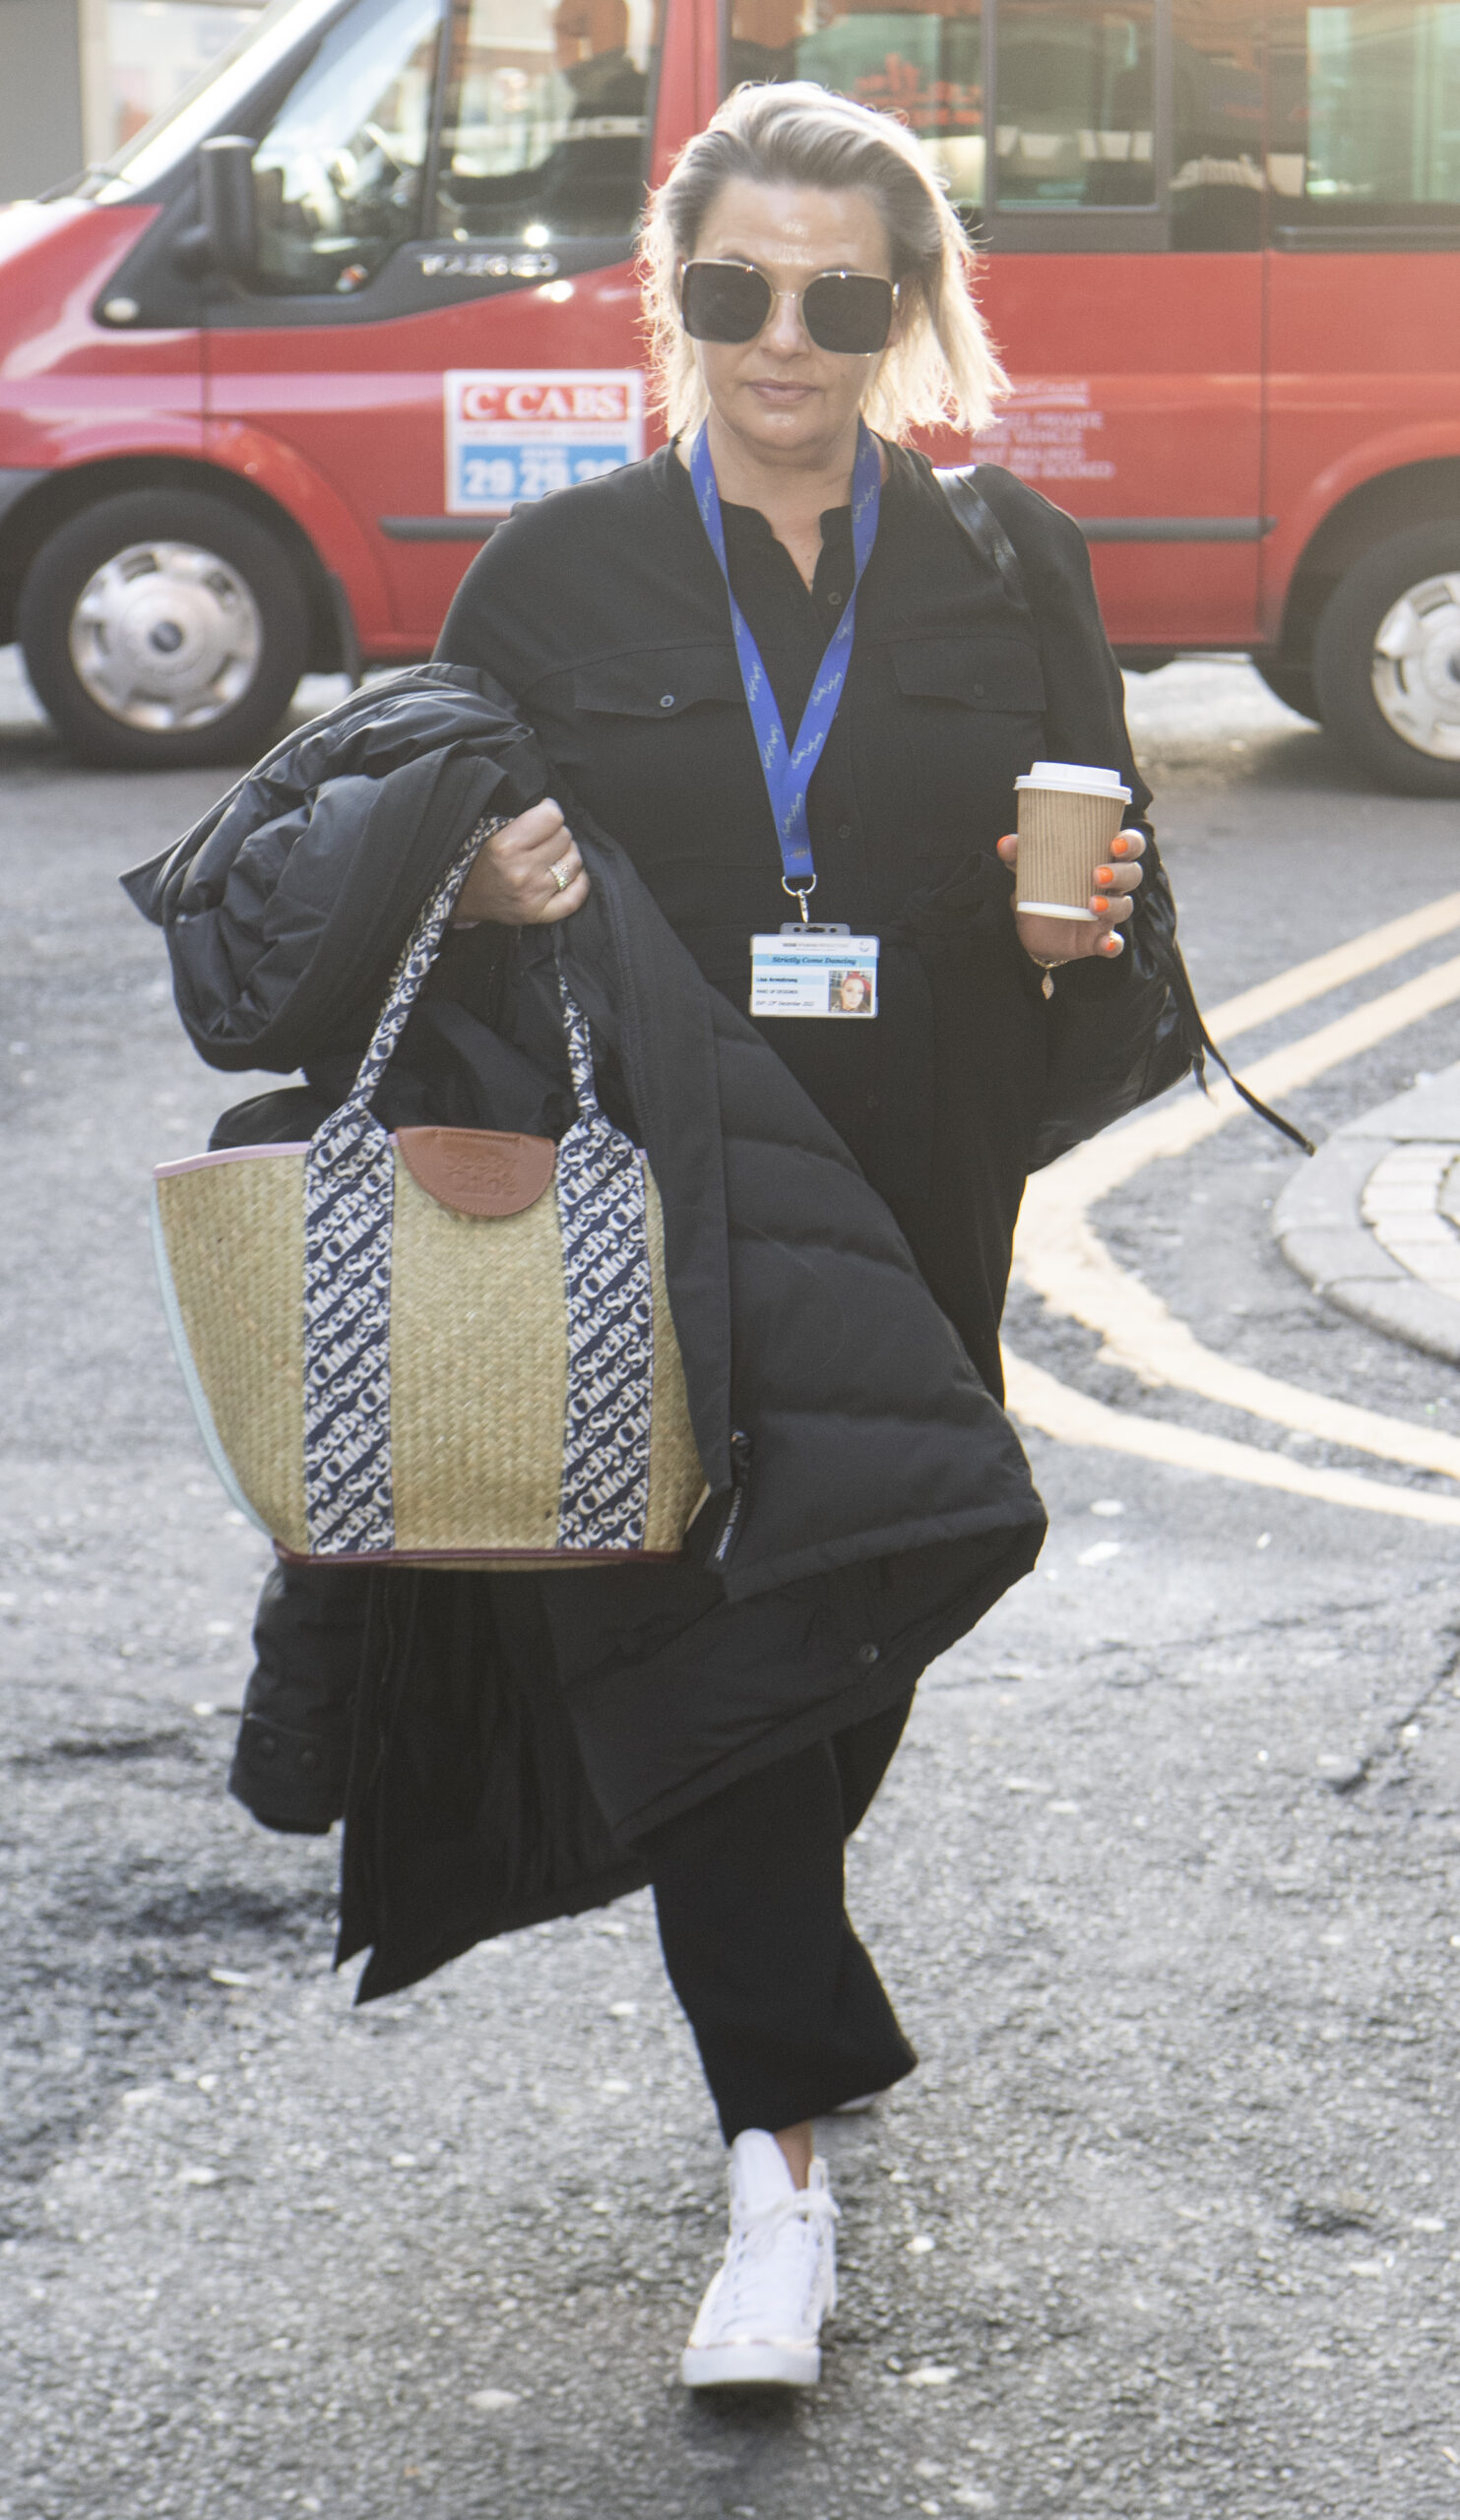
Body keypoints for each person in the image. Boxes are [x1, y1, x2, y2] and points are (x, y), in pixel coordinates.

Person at [426, 81, 1186, 2386]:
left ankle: (779, 1975)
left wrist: (1089, 932)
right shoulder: (546, 583)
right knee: (696, 1606)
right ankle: (776, 2161)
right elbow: (407, 891)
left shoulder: (1004, 560)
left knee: (865, 1575)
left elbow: (1105, 874)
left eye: (838, 293)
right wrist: (464, 882)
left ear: (904, 306)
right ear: (676, 297)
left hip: (925, 1156)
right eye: (736, 287)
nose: (785, 336)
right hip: (654, 1172)